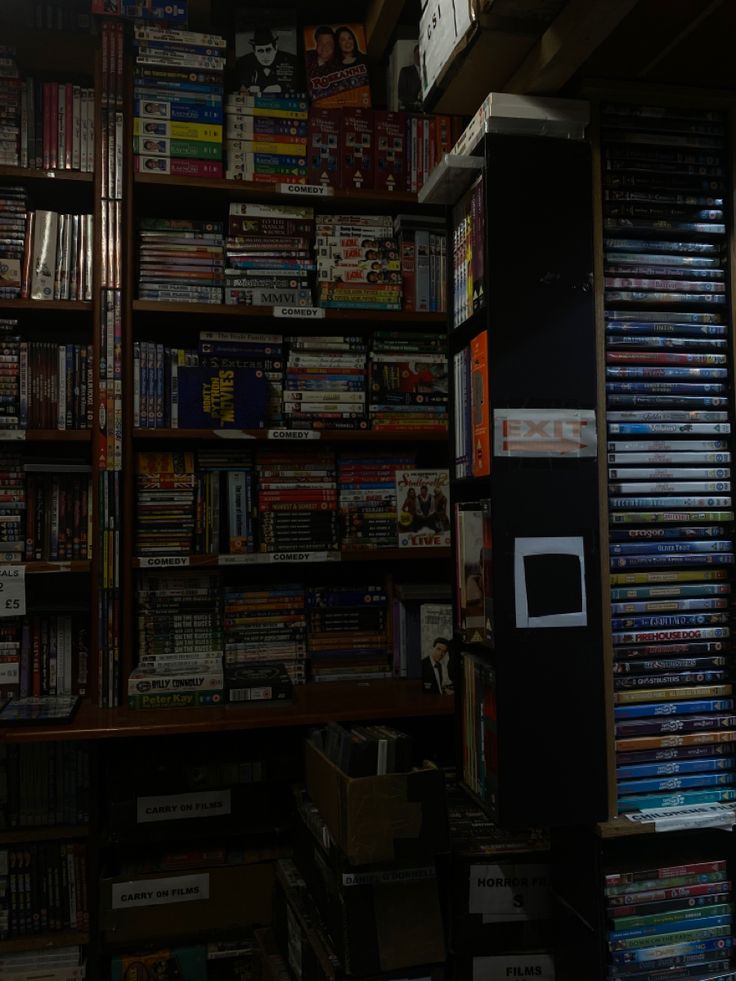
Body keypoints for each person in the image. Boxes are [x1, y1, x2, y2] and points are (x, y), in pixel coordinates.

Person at [234, 26, 298, 96]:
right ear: (254, 52)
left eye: (268, 50)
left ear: (275, 48)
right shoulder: (243, 63)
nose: (265, 55)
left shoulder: (292, 61)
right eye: (260, 51)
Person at [397, 44, 422, 111]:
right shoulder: (405, 71)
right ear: (414, 55)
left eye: (421, 54)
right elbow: (401, 95)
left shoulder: (429, 70)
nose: (419, 57)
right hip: (411, 111)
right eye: (417, 54)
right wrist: (414, 102)